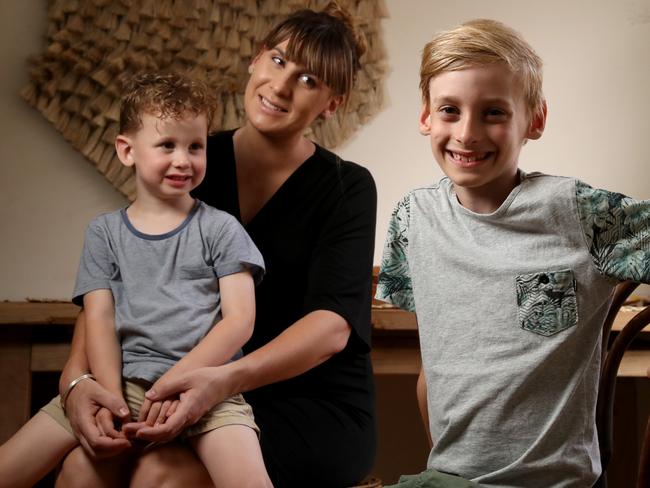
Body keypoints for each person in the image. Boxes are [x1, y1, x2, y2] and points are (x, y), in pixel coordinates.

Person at [55, 3, 378, 487]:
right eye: (278, 60)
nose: (282, 86)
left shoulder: (346, 187)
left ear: (332, 103)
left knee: (162, 474)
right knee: (81, 468)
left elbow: (331, 327)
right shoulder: (192, 159)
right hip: (184, 383)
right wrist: (75, 383)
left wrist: (222, 382)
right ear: (254, 58)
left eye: (310, 80)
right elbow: (119, 280)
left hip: (305, 401)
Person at [376, 18, 650, 488]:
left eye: (493, 113)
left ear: (535, 120)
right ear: (425, 116)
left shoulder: (579, 213)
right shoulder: (413, 219)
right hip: (451, 477)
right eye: (449, 110)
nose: (467, 133)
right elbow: (435, 365)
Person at [0, 72, 271, 488]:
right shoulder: (104, 233)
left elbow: (239, 322)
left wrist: (172, 385)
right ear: (127, 150)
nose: (184, 159)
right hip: (122, 384)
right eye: (167, 145)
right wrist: (111, 401)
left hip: (204, 388)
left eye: (195, 146)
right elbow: (100, 321)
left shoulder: (222, 229)